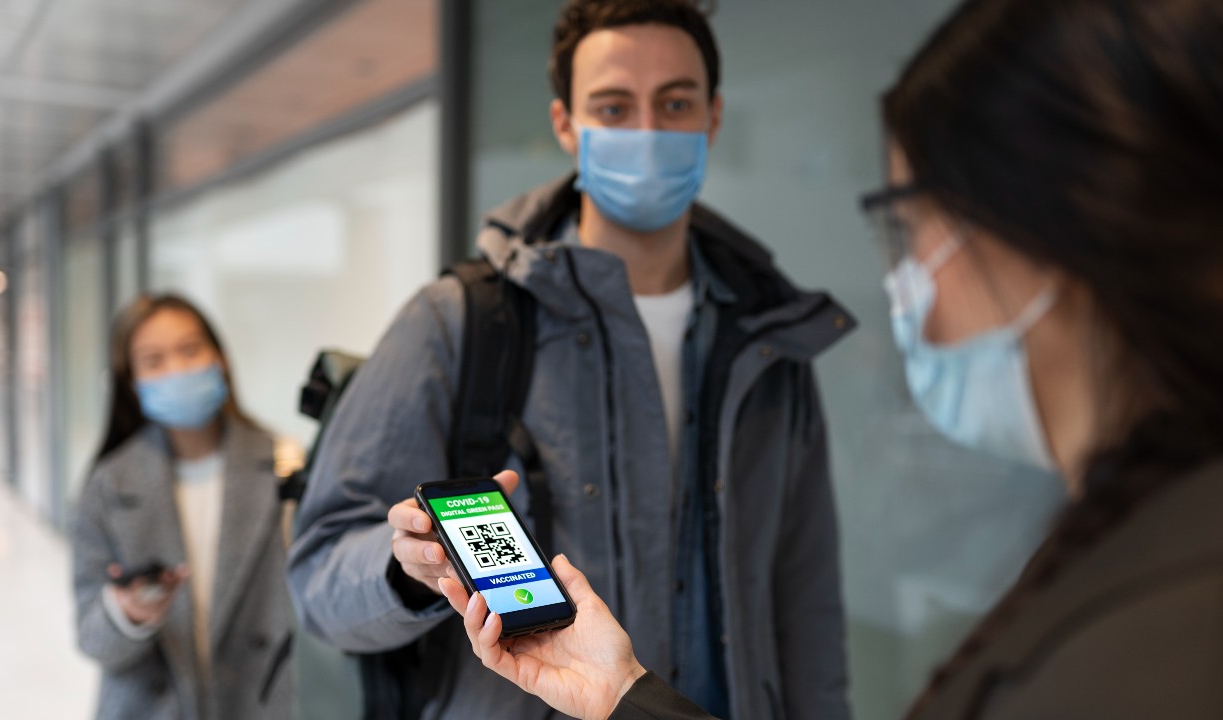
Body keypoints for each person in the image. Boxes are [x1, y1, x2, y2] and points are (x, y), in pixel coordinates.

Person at [436, 0, 1223, 718]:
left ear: (1044, 233)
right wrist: (621, 694)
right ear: (564, 123)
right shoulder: (1142, 553)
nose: (902, 282)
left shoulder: (1152, 632)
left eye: (910, 230)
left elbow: (804, 602)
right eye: (615, 107)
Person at [286, 1, 855, 718]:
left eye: (673, 102)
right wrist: (406, 574)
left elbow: (807, 620)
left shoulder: (773, 341)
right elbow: (317, 576)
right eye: (613, 107)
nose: (646, 131)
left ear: (712, 118)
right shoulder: (458, 322)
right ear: (565, 125)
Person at [70, 295, 294, 719]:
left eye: (190, 350)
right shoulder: (107, 485)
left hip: (265, 702)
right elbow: (90, 638)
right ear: (131, 382)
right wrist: (128, 614)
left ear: (220, 358)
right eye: (153, 360)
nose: (176, 370)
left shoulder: (286, 464)